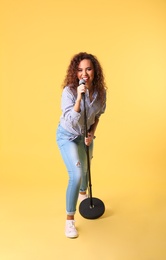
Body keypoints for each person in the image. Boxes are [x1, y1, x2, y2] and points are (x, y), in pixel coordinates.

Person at [56, 52, 107, 238]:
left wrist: (92, 133)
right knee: (76, 174)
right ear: (75, 73)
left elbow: (97, 115)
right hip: (67, 136)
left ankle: (83, 195)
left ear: (95, 71)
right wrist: (79, 97)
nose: (84, 73)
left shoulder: (101, 93)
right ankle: (70, 220)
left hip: (84, 136)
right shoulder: (69, 91)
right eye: (79, 70)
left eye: (88, 69)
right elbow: (71, 118)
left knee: (86, 168)